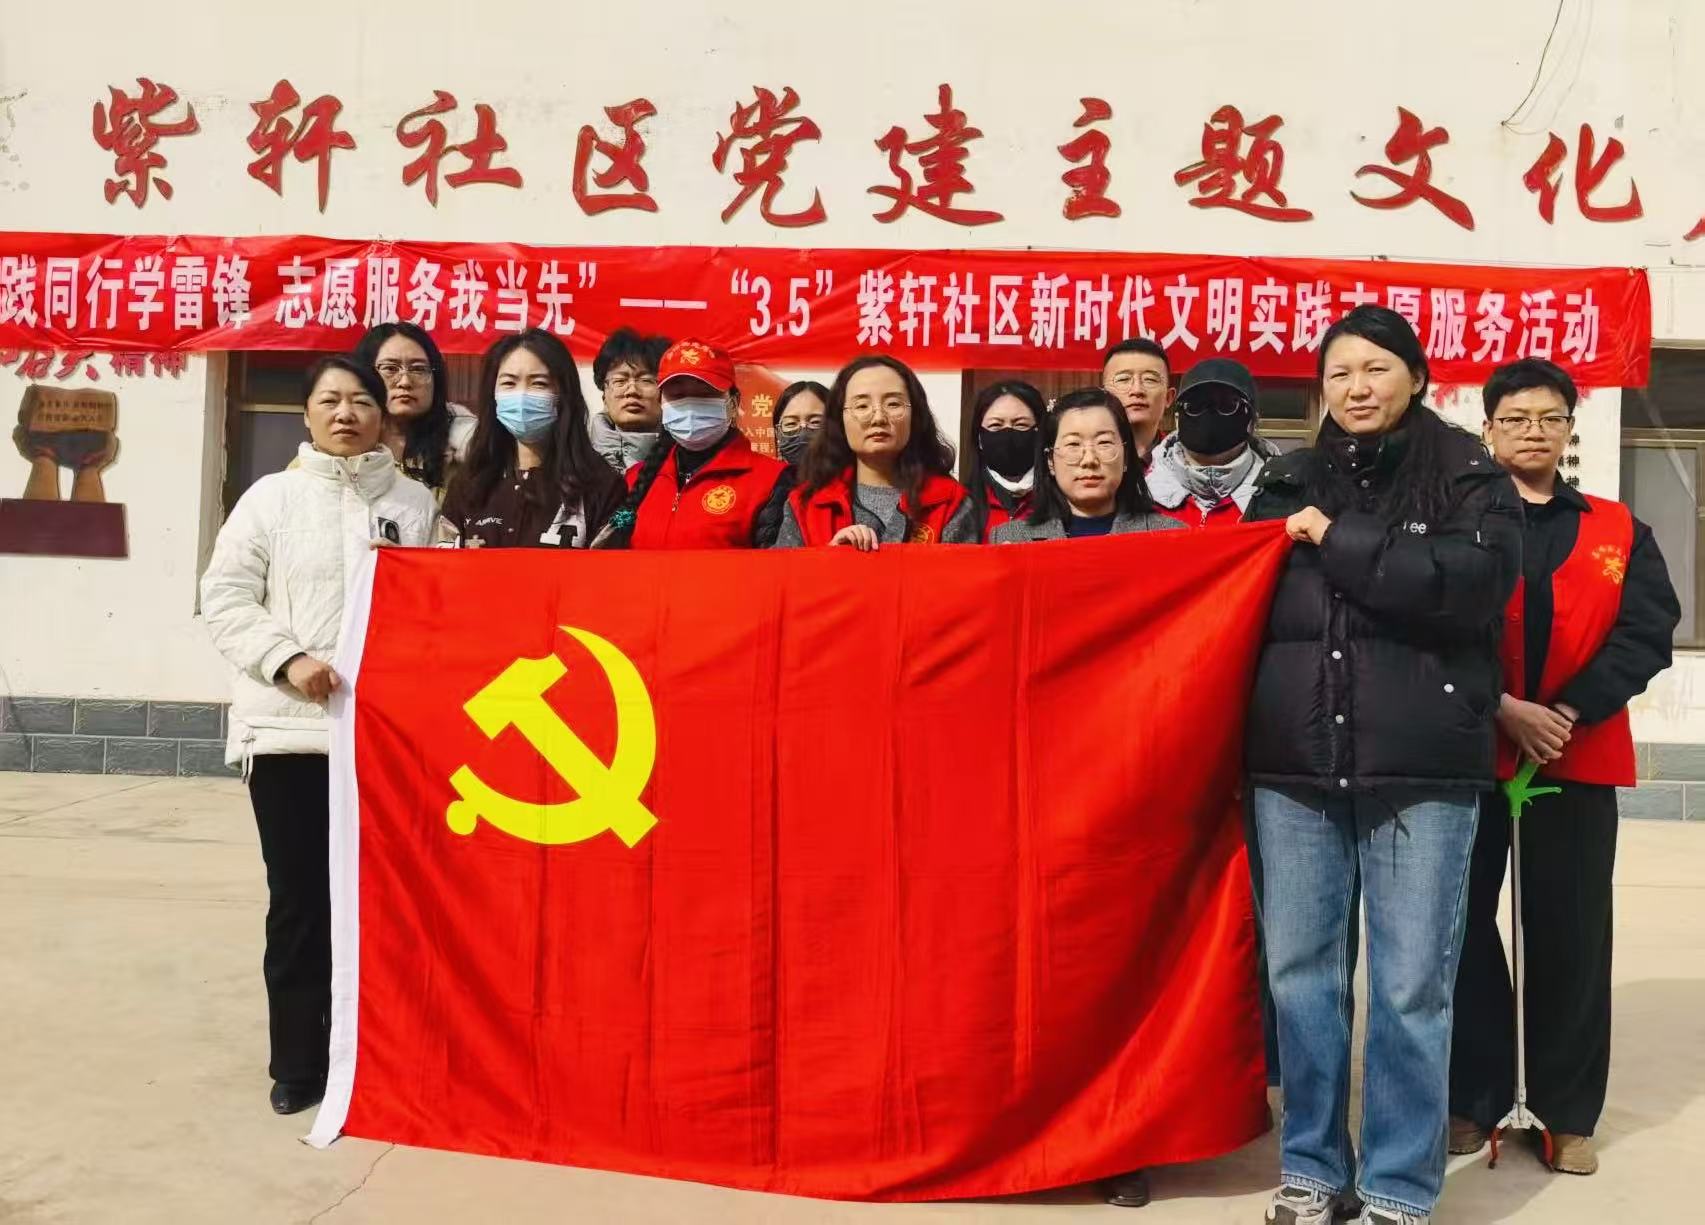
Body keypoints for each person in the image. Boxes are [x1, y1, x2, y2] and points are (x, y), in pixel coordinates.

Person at [1243, 305, 1523, 1225]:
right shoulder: (1284, 477)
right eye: (1338, 372)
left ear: (1416, 375)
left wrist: (1336, 538)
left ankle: (1399, 1184)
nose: (1355, 387)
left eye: (1375, 368)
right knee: (1301, 977)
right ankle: (1313, 1167)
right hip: (1296, 764)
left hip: (1423, 768)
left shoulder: (1470, 475)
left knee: (1409, 985)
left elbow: (1465, 587)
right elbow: (1239, 602)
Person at [1449, 358, 1678, 1176]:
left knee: (1571, 933)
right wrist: (1503, 705)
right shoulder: (1455, 522)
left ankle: (1564, 1112)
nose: (1533, 431)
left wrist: (1568, 711)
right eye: (1515, 418)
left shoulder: (1619, 528)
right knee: (1458, 929)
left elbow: (1646, 631)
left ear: (1569, 430)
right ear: (1487, 430)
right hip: (1467, 750)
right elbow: (1434, 623)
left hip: (1575, 755)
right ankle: (1473, 1096)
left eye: (1549, 418)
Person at [200, 357, 436, 1116]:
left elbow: (442, 610)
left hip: (388, 743)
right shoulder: (269, 499)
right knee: (301, 903)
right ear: (305, 414)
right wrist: (288, 659)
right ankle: (299, 1062)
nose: (345, 413)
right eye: (329, 400)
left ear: (383, 415)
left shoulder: (416, 504)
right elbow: (226, 597)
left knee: (384, 905)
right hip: (290, 738)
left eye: (360, 400)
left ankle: (373, 1052)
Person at [594, 338, 792, 549]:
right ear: (662, 403)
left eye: (705, 394)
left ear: (733, 403)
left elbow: (776, 565)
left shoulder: (771, 480)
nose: (690, 406)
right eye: (678, 395)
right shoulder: (634, 479)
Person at [439, 329, 625, 550]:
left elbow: (613, 567)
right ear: (493, 394)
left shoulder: (604, 486)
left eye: (539, 383)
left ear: (564, 394)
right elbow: (444, 564)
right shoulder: (468, 485)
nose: (522, 395)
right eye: (509, 383)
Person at [775, 354, 976, 548]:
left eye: (893, 404)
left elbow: (961, 572)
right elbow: (785, 572)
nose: (878, 418)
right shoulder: (805, 506)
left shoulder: (950, 502)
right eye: (862, 406)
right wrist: (830, 560)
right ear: (840, 419)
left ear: (915, 416)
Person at [990, 387, 1181, 543]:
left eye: (1104, 443)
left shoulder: (1171, 537)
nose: (1089, 460)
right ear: (1050, 461)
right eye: (1073, 444)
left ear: (1125, 457)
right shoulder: (1011, 540)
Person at [350, 322, 474, 500]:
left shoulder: (465, 443)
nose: (405, 382)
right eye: (390, 369)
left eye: (418, 369)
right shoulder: (343, 442)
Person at [1148, 358, 1278, 527]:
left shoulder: (1283, 501)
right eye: (1195, 404)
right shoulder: (1140, 496)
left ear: (1252, 420)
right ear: (1178, 418)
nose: (1209, 413)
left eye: (1228, 404)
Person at [964, 379, 1046, 541]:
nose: (1008, 432)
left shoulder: (1060, 501)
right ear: (979, 437)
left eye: (1021, 424)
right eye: (996, 425)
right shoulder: (961, 505)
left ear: (1039, 433)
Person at [589, 326, 670, 474]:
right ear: (604, 396)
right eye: (620, 381)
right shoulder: (578, 461)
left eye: (645, 380)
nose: (632, 391)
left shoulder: (683, 461)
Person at [1101, 337, 1175, 461]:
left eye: (1150, 379)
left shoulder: (1186, 463)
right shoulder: (1085, 461)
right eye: (1123, 379)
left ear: (1168, 398)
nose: (1137, 390)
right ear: (1104, 395)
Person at [772, 379, 830, 469]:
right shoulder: (766, 477)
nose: (803, 433)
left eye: (815, 422)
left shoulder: (851, 476)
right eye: (791, 423)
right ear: (777, 433)